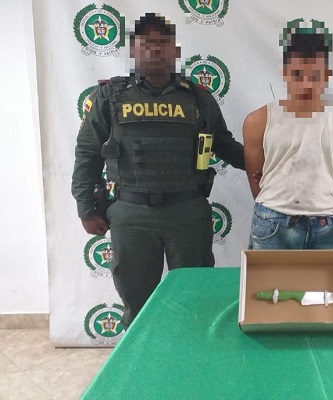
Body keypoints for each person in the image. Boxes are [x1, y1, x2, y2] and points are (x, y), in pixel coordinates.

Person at [71, 13, 244, 328]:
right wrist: (86, 207)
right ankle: (140, 356)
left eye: (162, 43)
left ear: (175, 50)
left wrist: (270, 164)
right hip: (131, 212)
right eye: (146, 43)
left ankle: (191, 354)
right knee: (137, 305)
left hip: (187, 211)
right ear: (133, 50)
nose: (154, 49)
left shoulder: (197, 97)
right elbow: (87, 152)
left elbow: (225, 145)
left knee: (195, 298)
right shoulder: (111, 95)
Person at [242, 20, 333, 250]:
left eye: (315, 76)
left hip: (327, 224)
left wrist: (317, 197)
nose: (306, 84)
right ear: (285, 74)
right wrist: (277, 201)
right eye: (297, 75)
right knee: (268, 278)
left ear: (327, 76)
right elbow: (257, 180)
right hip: (272, 223)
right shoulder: (257, 121)